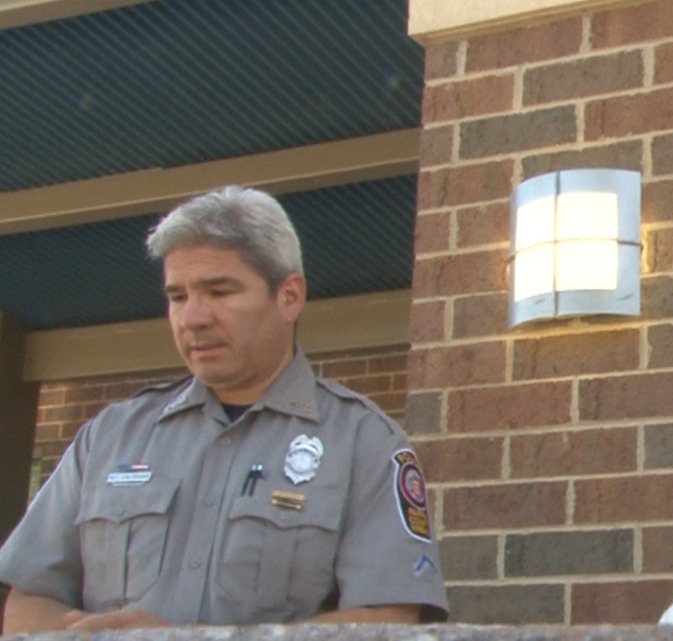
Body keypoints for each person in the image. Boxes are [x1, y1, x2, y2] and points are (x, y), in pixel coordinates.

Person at [0, 187, 447, 631]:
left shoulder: (365, 443)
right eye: (178, 297)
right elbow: (26, 600)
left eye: (218, 291)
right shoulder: (110, 436)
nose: (192, 318)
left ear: (289, 296)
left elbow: (388, 622)